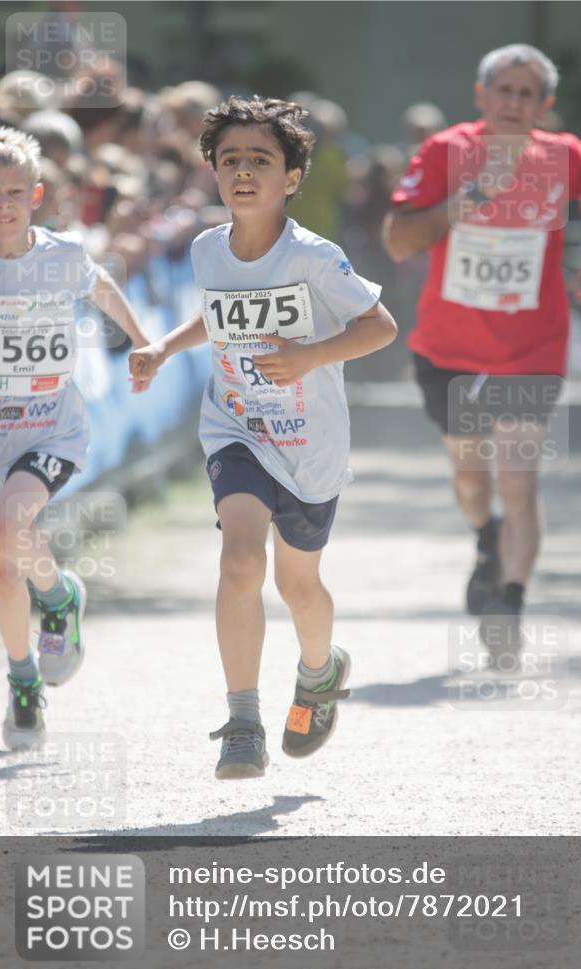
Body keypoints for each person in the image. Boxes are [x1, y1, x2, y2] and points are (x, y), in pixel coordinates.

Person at [130, 96, 397, 779]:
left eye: (261, 160)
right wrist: (163, 346)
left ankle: (319, 672)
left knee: (299, 585)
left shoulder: (314, 256)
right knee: (241, 561)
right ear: (213, 174)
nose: (243, 172)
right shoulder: (204, 248)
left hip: (310, 443)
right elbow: (216, 319)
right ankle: (243, 720)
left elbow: (380, 329)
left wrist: (309, 356)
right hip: (236, 429)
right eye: (230, 161)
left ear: (292, 178)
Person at [383, 44, 581, 663]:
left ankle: (509, 606)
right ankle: (486, 539)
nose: (515, 102)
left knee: (518, 477)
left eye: (527, 93)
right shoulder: (444, 152)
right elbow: (399, 238)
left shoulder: (562, 157)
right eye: (504, 90)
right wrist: (457, 207)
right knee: (470, 478)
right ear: (482, 96)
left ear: (546, 105)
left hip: (531, 347)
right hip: (449, 347)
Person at [0, 125, 153, 750]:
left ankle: (54, 598)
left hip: (52, 427)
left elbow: (102, 288)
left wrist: (142, 342)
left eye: (14, 192)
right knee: (2, 560)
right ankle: (24, 681)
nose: (3, 204)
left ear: (37, 195)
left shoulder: (64, 254)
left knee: (4, 531)